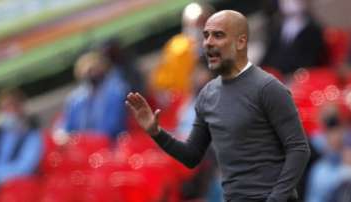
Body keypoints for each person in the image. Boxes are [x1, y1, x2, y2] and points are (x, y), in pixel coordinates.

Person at [126, 10, 310, 202]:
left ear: (240, 42)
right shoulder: (207, 95)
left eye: (218, 35)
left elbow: (298, 149)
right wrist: (156, 132)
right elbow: (192, 156)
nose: (208, 43)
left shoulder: (268, 88)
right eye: (206, 36)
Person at [57, 51, 129, 141]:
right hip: (83, 146)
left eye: (94, 69)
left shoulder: (116, 91)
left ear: (103, 68)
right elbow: (64, 127)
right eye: (87, 71)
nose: (91, 74)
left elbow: (112, 127)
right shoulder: (75, 99)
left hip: (112, 143)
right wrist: (63, 136)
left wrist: (89, 139)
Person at [0, 88, 42, 194]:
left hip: (20, 190)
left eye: (13, 106)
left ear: (21, 107)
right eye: (5, 107)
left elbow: (25, 168)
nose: (10, 110)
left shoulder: (32, 135)